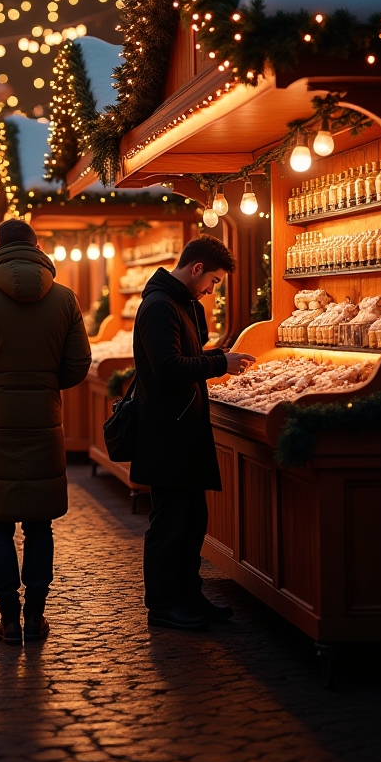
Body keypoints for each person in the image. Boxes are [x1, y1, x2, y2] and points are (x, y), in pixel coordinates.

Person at [0, 217, 91, 646]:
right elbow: (78, 364)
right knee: (40, 526)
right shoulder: (64, 298)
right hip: (43, 421)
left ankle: (8, 618)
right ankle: (36, 616)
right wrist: (46, 383)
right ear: (38, 248)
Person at [132, 236, 254, 631]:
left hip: (183, 430)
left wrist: (214, 357)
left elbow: (187, 355)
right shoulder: (159, 306)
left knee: (191, 519)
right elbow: (168, 368)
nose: (211, 290)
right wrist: (220, 363)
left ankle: (188, 596)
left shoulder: (179, 303)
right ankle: (164, 605)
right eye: (213, 281)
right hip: (167, 432)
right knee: (170, 523)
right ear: (196, 268)